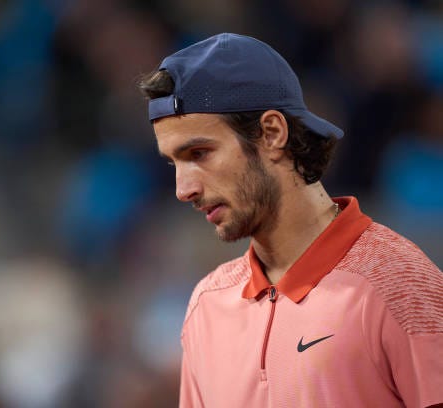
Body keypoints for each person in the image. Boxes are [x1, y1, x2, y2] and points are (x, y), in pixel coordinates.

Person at [138, 33, 443, 408]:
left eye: (199, 152)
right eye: (173, 163)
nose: (183, 189)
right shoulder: (206, 305)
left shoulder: (402, 284)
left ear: (272, 133)